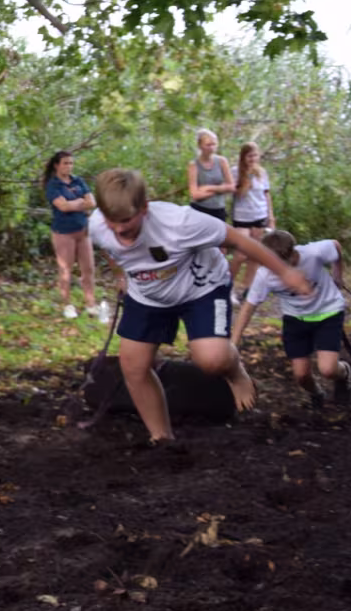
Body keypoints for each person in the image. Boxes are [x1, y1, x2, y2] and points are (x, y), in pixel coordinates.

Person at [89, 168, 312, 443]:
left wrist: (285, 272)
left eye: (126, 220)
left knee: (212, 360)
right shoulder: (97, 225)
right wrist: (120, 275)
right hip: (148, 294)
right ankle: (162, 439)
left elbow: (240, 240)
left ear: (144, 208)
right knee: (133, 366)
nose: (119, 229)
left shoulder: (180, 223)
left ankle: (235, 372)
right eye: (111, 221)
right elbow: (108, 248)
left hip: (201, 287)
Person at [232, 230, 351, 409]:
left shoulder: (314, 253)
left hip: (328, 312)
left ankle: (345, 374)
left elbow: (335, 245)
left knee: (328, 369)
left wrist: (338, 274)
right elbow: (248, 308)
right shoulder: (265, 275)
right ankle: (317, 393)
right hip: (295, 319)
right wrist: (234, 343)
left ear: (292, 253)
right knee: (301, 376)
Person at [42, 151, 108, 321]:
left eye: (71, 163)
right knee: (66, 270)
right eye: (65, 163)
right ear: (57, 165)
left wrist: (74, 204)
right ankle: (67, 305)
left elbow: (92, 202)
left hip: (83, 231)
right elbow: (62, 207)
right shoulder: (53, 185)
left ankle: (90, 304)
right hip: (64, 232)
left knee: (88, 269)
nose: (69, 166)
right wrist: (80, 203)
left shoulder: (78, 181)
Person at [228, 141, 275, 302]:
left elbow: (266, 195)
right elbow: (235, 194)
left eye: (255, 155)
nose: (252, 159)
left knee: (254, 256)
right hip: (242, 217)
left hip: (259, 215)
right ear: (243, 157)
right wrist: (245, 182)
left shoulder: (262, 172)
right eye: (249, 156)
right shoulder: (235, 171)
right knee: (240, 255)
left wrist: (271, 217)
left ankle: (247, 289)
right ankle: (228, 286)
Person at [186, 128, 235, 223]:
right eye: (208, 145)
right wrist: (221, 189)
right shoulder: (194, 165)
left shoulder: (222, 161)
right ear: (200, 146)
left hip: (218, 209)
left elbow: (231, 187)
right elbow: (195, 194)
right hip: (199, 209)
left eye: (214, 144)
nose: (212, 148)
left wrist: (208, 188)